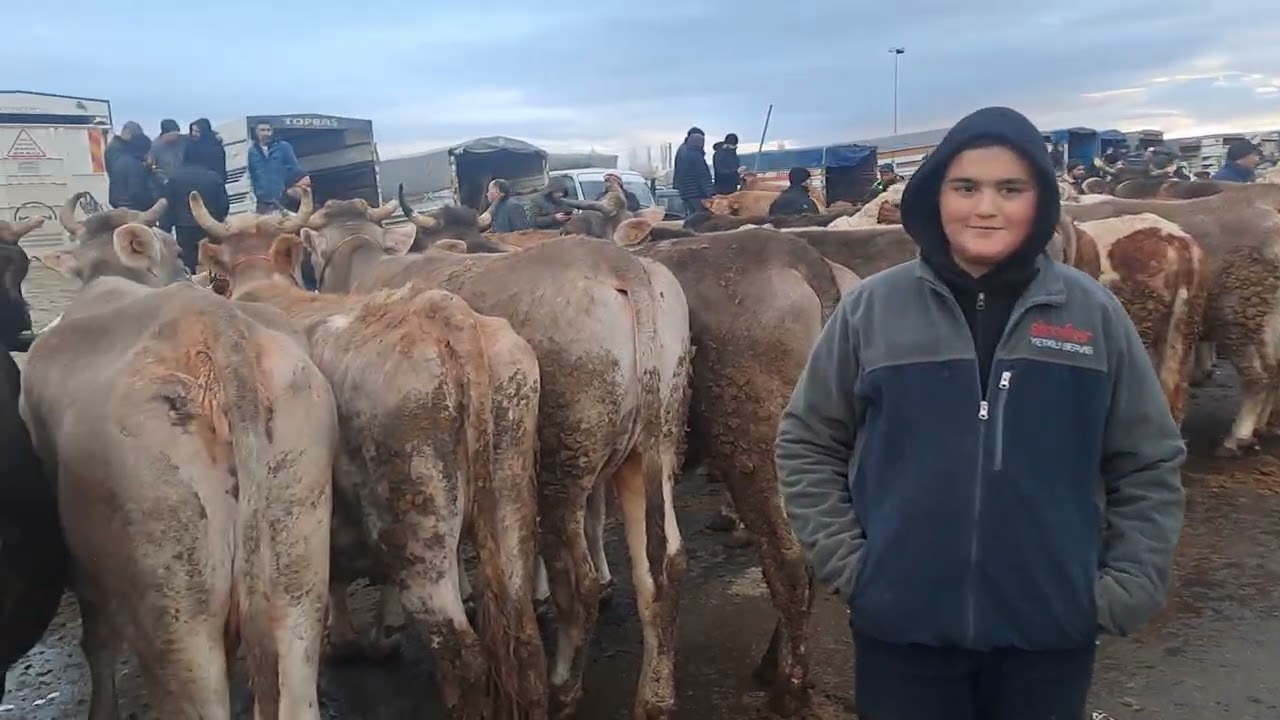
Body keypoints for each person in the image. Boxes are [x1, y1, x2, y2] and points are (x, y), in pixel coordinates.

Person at [775, 105, 1186, 720]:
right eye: (965, 187)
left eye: (1010, 189)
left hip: (1048, 634)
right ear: (934, 197)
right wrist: (854, 565)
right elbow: (808, 439)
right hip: (902, 630)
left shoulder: (1090, 313)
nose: (985, 209)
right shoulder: (873, 310)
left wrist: (1126, 586)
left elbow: (1147, 459)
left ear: (1041, 201)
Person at [163, 156, 230, 273]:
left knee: (188, 263)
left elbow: (169, 205)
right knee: (213, 261)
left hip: (184, 227)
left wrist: (166, 227)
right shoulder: (213, 177)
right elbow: (224, 204)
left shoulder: (174, 178)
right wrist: (218, 220)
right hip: (209, 226)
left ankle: (193, 285)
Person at [247, 121, 308, 213]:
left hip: (284, 198)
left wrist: (289, 190)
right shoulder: (252, 152)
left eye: (268, 130)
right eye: (262, 130)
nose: (266, 133)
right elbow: (253, 175)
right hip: (263, 202)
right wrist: (258, 193)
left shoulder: (284, 147)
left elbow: (295, 170)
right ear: (256, 133)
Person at [105, 121, 156, 211]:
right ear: (126, 131)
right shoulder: (118, 152)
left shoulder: (118, 151)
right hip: (132, 207)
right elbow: (136, 191)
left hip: (118, 202)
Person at [673, 127, 714, 216]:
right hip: (697, 192)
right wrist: (710, 193)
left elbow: (678, 171)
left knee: (691, 217)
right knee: (702, 218)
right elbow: (703, 175)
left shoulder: (682, 149)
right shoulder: (694, 152)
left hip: (685, 192)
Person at [186, 118, 227, 182]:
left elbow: (220, 169)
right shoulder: (190, 147)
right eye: (192, 131)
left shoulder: (216, 147)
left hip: (213, 181)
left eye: (197, 131)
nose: (193, 134)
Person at [148, 119, 188, 183]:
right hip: (163, 181)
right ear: (165, 134)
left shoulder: (184, 141)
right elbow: (153, 167)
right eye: (173, 135)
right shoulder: (155, 146)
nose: (176, 137)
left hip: (182, 179)